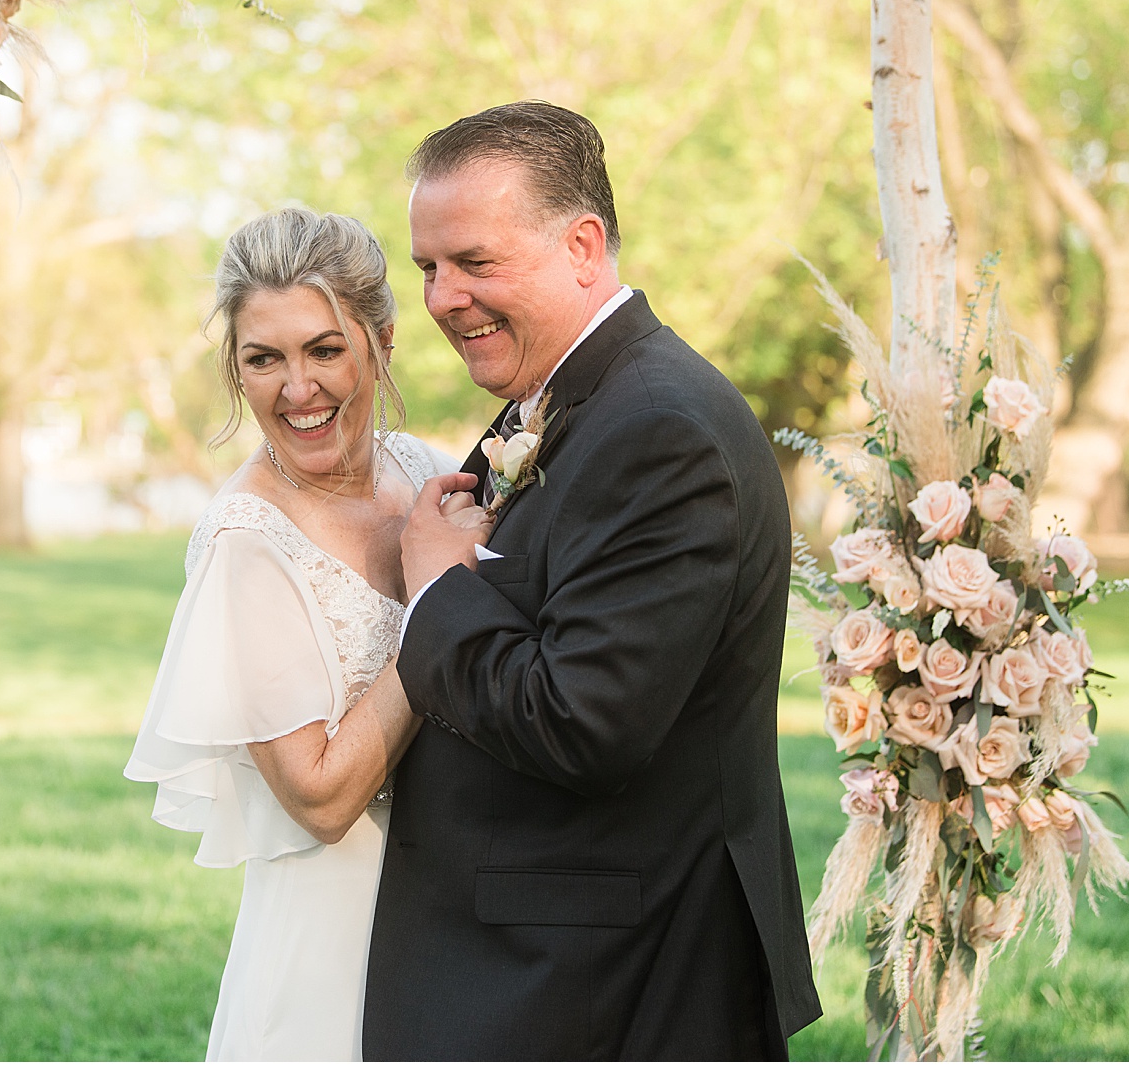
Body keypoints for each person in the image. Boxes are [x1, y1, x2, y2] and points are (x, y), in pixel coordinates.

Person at [363, 101, 823, 1059]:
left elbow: (583, 723)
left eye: (474, 262)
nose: (444, 298)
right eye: (429, 269)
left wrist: (439, 588)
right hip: (549, 965)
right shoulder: (575, 399)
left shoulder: (660, 429)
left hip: (602, 987)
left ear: (582, 246)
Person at [123, 207, 487, 1060]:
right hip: (330, 955)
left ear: (382, 342)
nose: (297, 389)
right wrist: (435, 605)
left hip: (460, 928)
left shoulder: (426, 472)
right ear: (235, 369)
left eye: (324, 349)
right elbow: (319, 798)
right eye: (264, 359)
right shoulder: (245, 549)